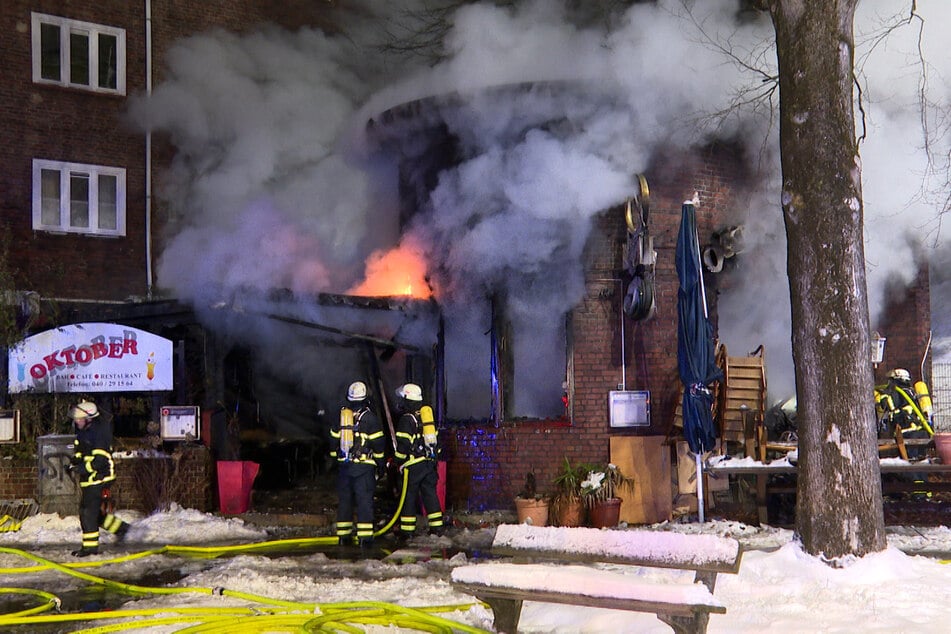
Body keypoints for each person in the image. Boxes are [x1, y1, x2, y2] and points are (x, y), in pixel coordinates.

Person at [68, 400, 131, 557]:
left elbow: (99, 461)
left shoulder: (99, 433)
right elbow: (80, 451)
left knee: (87, 512)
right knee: (93, 513)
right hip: (89, 478)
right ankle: (122, 529)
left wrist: (81, 468)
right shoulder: (83, 431)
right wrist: (73, 462)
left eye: (79, 418)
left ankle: (90, 548)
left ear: (89, 418)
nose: (77, 421)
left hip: (100, 477)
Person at [329, 381, 385, 547]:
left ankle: (343, 537)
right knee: (364, 501)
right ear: (365, 398)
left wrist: (336, 460)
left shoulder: (340, 418)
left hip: (345, 467)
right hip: (363, 468)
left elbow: (333, 442)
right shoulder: (370, 419)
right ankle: (365, 539)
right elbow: (379, 445)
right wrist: (380, 464)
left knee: (345, 501)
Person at [394, 383, 444, 540]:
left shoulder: (406, 420)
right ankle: (437, 528)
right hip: (429, 463)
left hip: (412, 465)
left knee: (408, 496)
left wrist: (397, 461)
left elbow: (403, 445)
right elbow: (438, 444)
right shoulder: (426, 417)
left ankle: (407, 531)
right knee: (430, 494)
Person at [875, 368, 934, 459]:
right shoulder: (912, 391)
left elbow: (887, 407)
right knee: (920, 460)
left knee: (910, 462)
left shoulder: (894, 393)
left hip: (907, 433)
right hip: (921, 432)